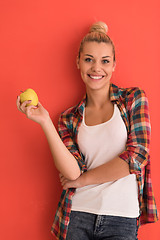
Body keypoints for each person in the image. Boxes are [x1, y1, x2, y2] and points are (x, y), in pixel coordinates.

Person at [17, 21, 158, 240]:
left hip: (121, 217)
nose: (96, 68)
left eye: (105, 61)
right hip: (78, 215)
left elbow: (138, 156)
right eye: (88, 60)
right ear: (78, 62)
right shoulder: (68, 118)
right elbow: (72, 173)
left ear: (114, 65)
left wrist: (83, 180)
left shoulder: (133, 99)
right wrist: (44, 121)